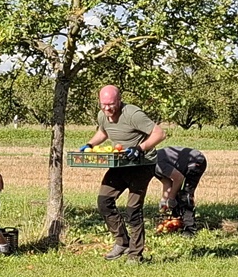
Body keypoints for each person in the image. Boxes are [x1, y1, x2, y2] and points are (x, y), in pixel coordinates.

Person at [82, 85, 168, 260]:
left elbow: (159, 133)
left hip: (141, 165)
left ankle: (135, 255)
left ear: (119, 101)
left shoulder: (133, 114)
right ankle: (122, 242)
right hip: (120, 163)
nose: (107, 108)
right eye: (103, 104)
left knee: (133, 210)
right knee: (104, 202)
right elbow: (103, 132)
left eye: (111, 104)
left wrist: (140, 148)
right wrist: (90, 145)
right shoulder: (102, 115)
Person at [154, 146, 207, 224]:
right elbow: (167, 183)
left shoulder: (157, 165)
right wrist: (164, 200)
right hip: (183, 165)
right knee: (175, 192)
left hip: (196, 160)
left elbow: (179, 178)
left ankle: (189, 226)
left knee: (186, 195)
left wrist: (171, 198)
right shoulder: (153, 169)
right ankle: (177, 221)